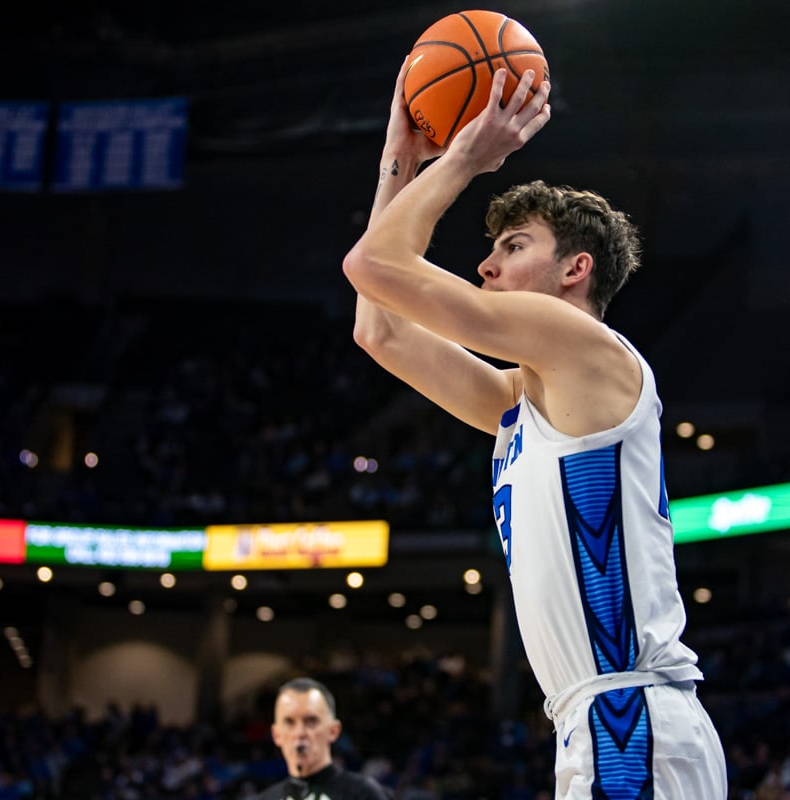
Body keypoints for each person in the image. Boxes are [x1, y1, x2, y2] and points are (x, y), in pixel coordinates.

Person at [342, 59, 727, 799]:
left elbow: (373, 263)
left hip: (630, 716)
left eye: (513, 246)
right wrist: (401, 161)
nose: (486, 266)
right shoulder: (528, 403)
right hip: (603, 720)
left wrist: (461, 160)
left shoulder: (584, 347)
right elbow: (378, 330)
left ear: (576, 269)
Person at [253, 677, 392, 800]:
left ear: (333, 731)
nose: (300, 733)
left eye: (311, 721)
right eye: (289, 722)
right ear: (276, 735)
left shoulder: (364, 794)